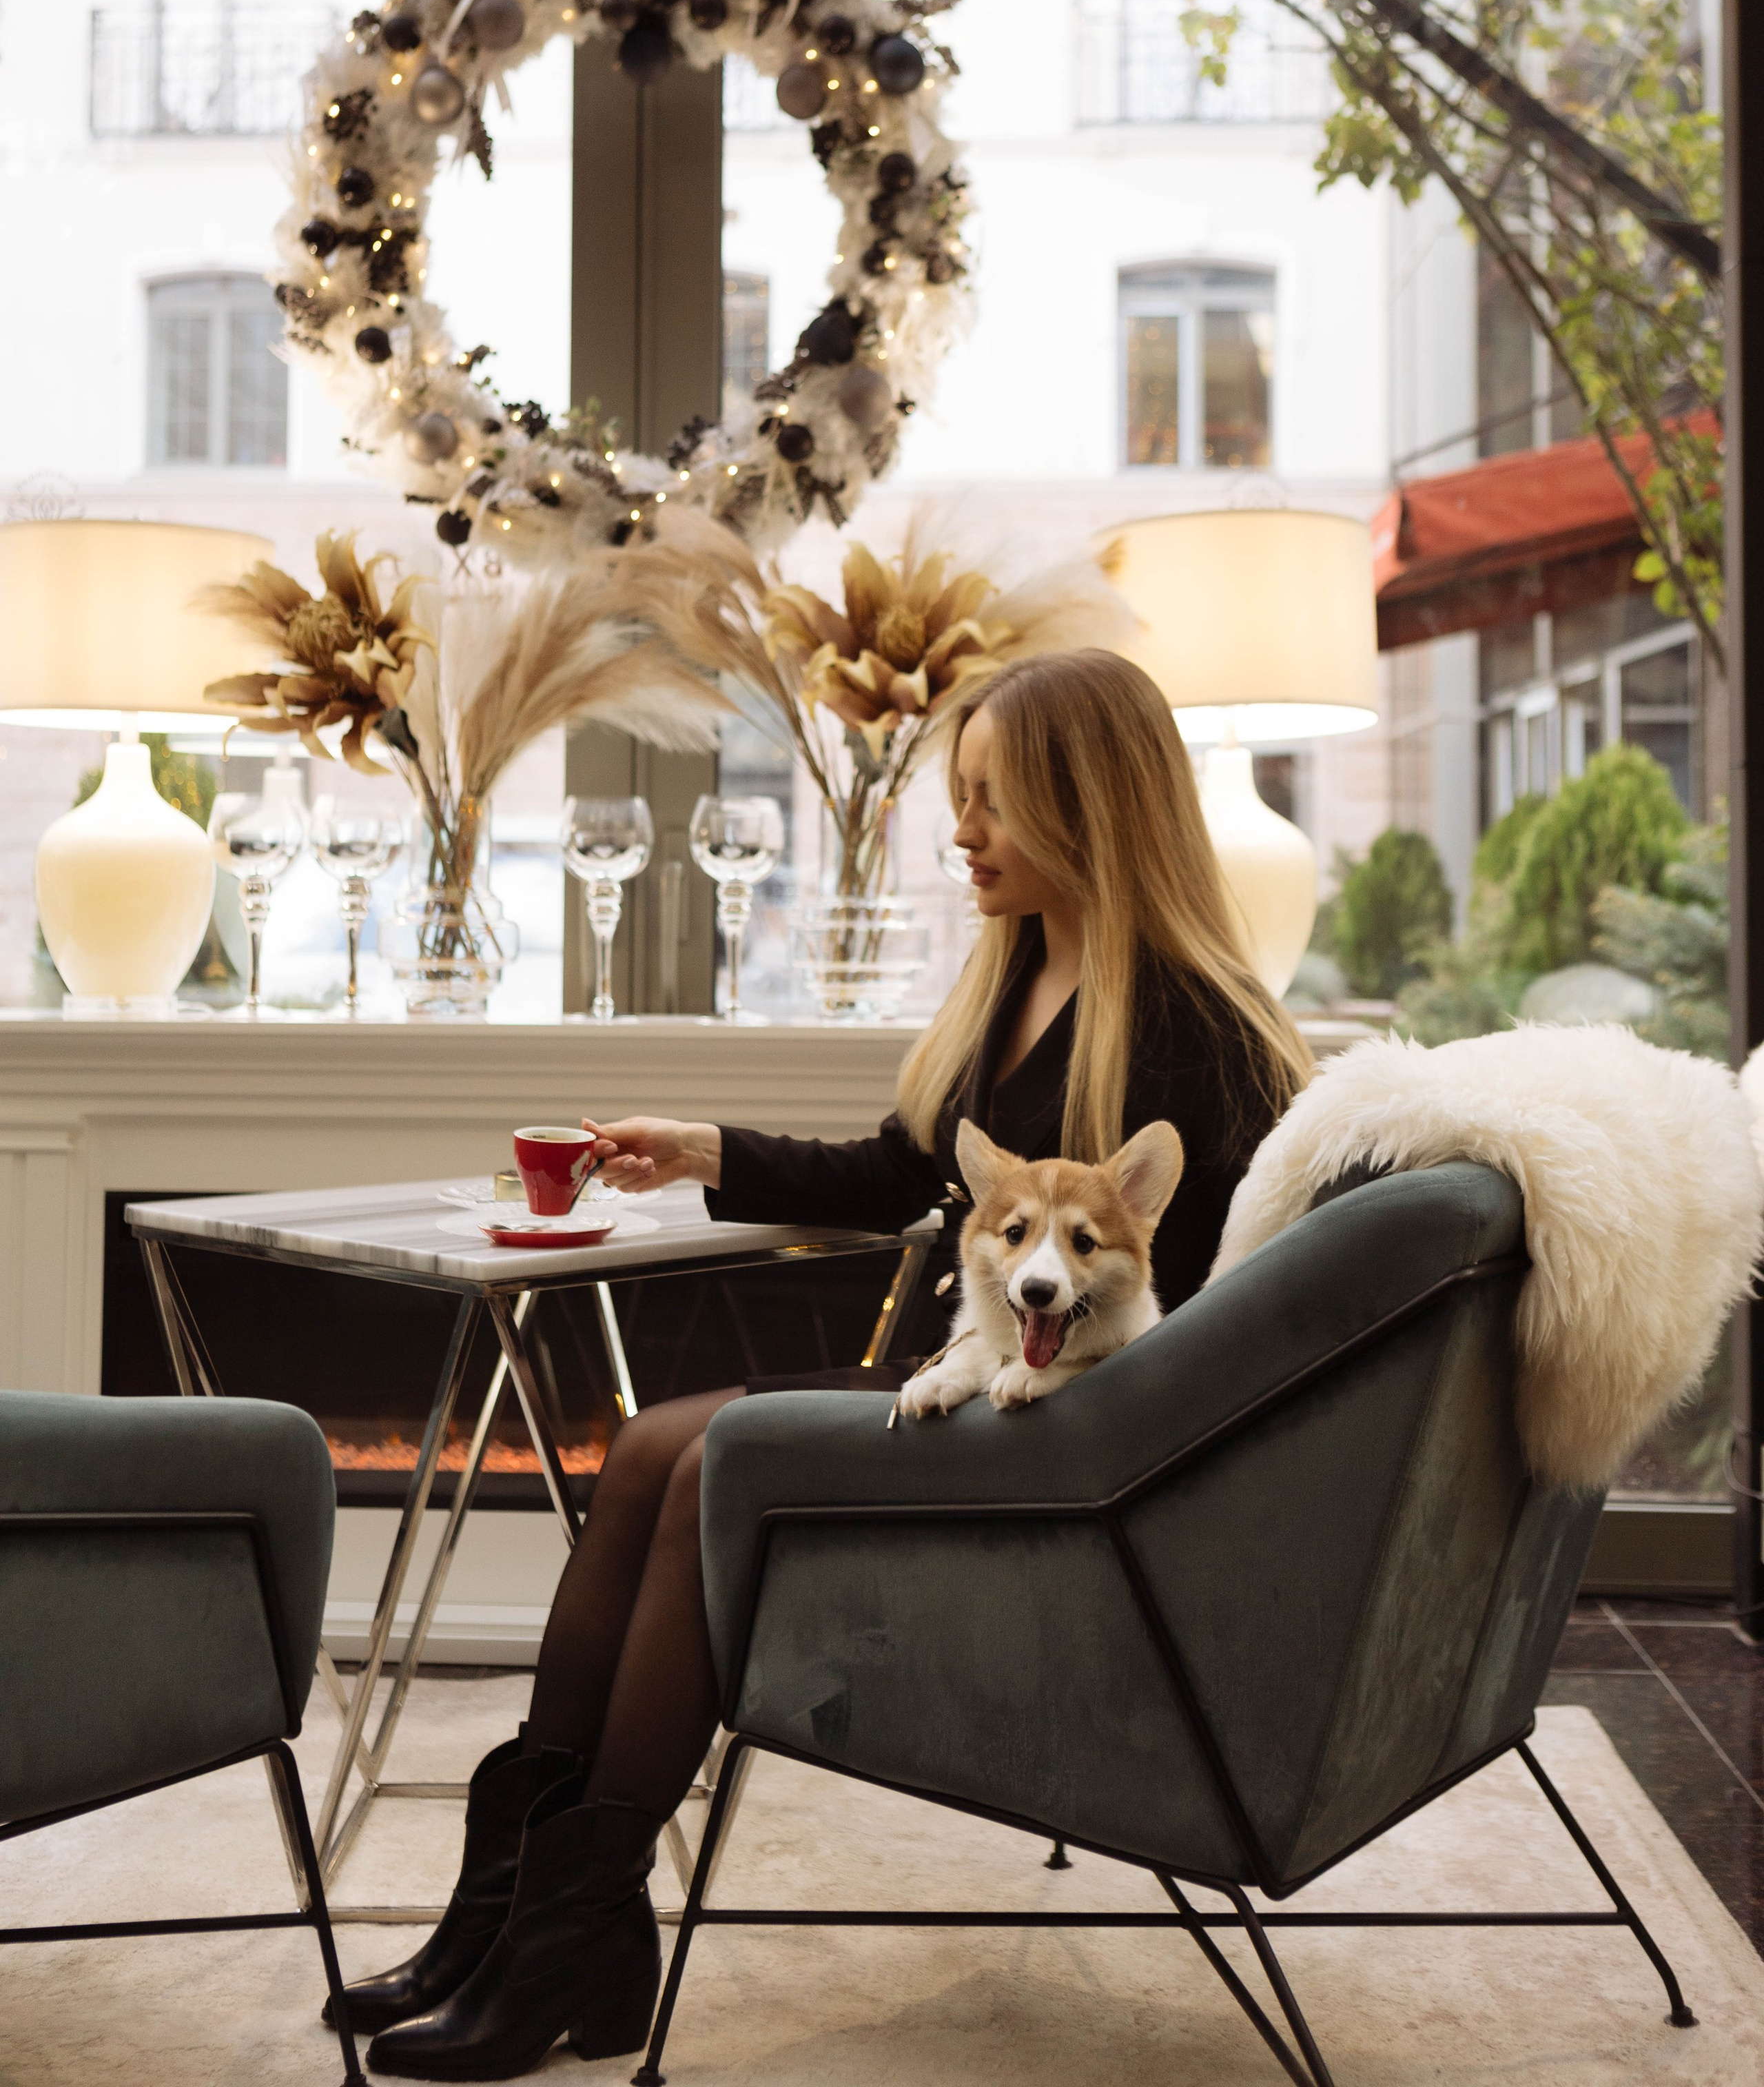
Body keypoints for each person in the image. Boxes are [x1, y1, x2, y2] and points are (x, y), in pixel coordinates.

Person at [350, 647, 1312, 2081]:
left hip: (1079, 1441)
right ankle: (518, 1923)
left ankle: (562, 1942)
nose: (961, 832)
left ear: (1088, 806)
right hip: (976, 1382)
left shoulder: (1201, 1031)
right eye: (960, 797)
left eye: (991, 802)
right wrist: (706, 1150)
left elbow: (1234, 1315)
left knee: (711, 1466)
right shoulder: (1020, 972)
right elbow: (895, 1175)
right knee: (647, 1452)